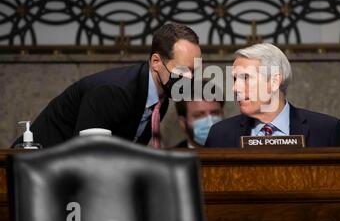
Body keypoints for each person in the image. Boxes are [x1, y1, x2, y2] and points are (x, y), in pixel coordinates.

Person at [12, 23, 201, 149]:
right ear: (156, 62)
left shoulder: (161, 99)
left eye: (194, 70)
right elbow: (87, 156)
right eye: (183, 69)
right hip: (33, 173)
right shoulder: (113, 92)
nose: (189, 77)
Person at [205, 43, 340, 148]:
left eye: (246, 78)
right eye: (235, 79)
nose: (235, 88)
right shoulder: (220, 135)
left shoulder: (327, 131)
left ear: (275, 81)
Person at [174, 82, 225, 148]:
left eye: (215, 113)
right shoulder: (171, 157)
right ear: (183, 123)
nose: (210, 123)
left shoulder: (238, 151)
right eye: (199, 116)